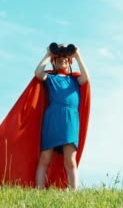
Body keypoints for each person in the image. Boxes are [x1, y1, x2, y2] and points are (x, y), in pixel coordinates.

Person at [34, 43, 90, 190]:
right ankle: (38, 191)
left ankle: (74, 193)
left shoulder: (74, 80)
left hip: (70, 120)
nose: (62, 59)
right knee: (45, 158)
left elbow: (86, 77)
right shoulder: (51, 78)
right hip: (53, 119)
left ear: (69, 61)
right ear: (54, 60)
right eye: (58, 57)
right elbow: (38, 73)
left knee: (70, 160)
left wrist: (77, 55)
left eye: (65, 57)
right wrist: (48, 54)